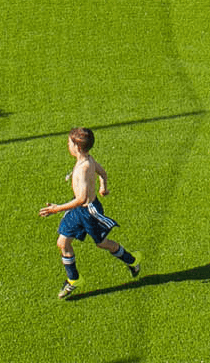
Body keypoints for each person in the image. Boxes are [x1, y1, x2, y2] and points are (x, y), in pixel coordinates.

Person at [37, 126, 141, 300]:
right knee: (62, 243)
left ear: (77, 147)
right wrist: (103, 187)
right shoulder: (87, 160)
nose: (67, 145)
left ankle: (132, 260)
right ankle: (74, 279)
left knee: (101, 243)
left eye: (69, 142)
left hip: (89, 211)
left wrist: (56, 209)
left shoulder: (84, 167)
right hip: (77, 211)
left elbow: (81, 198)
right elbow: (103, 172)